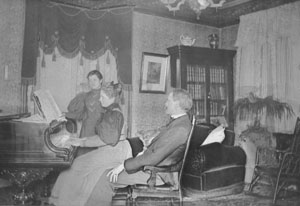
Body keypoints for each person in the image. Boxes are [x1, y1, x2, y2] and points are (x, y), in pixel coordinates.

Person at [85, 88, 193, 206]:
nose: (165, 103)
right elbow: (158, 148)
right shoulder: (179, 122)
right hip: (153, 169)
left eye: (168, 100)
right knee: (107, 173)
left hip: (157, 175)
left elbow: (153, 158)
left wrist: (123, 165)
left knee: (105, 177)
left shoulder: (180, 128)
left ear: (177, 104)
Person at [49, 82, 127, 206]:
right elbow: (104, 137)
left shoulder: (114, 113)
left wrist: (80, 142)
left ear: (111, 98)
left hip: (114, 151)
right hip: (112, 149)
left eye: (102, 97)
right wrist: (79, 141)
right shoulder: (111, 110)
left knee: (76, 166)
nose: (100, 100)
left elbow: (106, 140)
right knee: (77, 164)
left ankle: (65, 202)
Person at [65, 70, 105, 156]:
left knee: (98, 159)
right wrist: (65, 115)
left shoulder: (106, 95)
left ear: (101, 80)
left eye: (94, 79)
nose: (92, 83)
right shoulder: (84, 96)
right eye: (90, 80)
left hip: (100, 130)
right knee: (83, 159)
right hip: (87, 130)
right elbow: (81, 114)